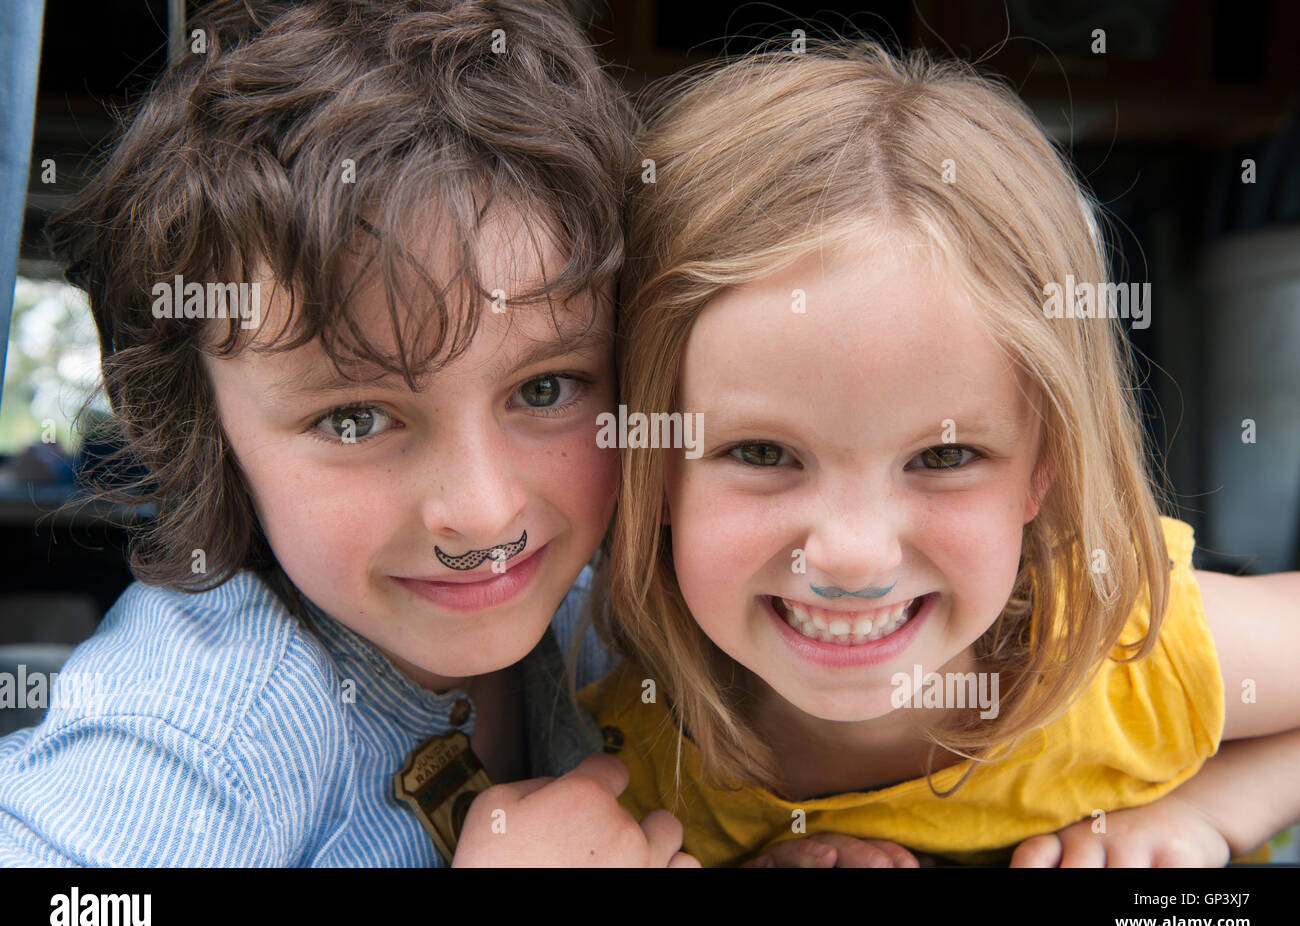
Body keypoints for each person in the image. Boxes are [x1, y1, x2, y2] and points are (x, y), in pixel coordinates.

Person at [0, 0, 695, 868]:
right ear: (206, 430)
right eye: (355, 418)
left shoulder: (597, 615)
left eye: (544, 388)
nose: (482, 515)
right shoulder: (196, 730)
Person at [579, 38, 1300, 867]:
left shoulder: (1130, 661)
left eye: (944, 457)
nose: (852, 556)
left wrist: (1210, 813)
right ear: (651, 463)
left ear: (1046, 465)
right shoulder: (617, 774)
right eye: (764, 451)